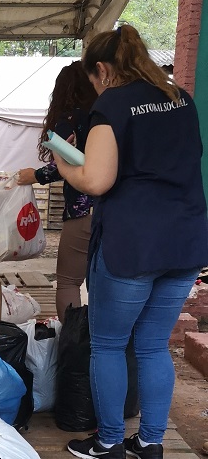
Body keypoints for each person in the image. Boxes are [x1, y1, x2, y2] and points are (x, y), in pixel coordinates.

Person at [51, 26, 208, 459]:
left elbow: (96, 181)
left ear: (103, 69)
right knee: (154, 345)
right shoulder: (181, 98)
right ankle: (151, 442)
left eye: (94, 79)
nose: (95, 87)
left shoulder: (113, 104)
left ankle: (108, 443)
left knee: (108, 344)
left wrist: (64, 163)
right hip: (185, 241)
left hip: (133, 244)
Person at [17, 61, 97, 322]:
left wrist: (35, 176)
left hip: (82, 210)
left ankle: (72, 339)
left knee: (68, 282)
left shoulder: (71, 119)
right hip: (114, 210)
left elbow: (63, 162)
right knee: (102, 282)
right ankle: (103, 338)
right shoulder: (107, 117)